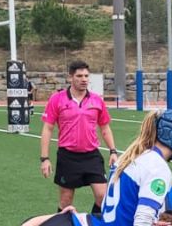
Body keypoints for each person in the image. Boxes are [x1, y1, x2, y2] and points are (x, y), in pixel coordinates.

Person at [39, 60, 118, 211]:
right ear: (71, 77)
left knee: (103, 197)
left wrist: (113, 151)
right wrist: (45, 158)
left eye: (86, 76)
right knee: (66, 201)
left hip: (92, 156)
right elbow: (47, 129)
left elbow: (105, 128)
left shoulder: (96, 100)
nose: (84, 79)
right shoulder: (57, 99)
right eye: (79, 76)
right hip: (68, 156)